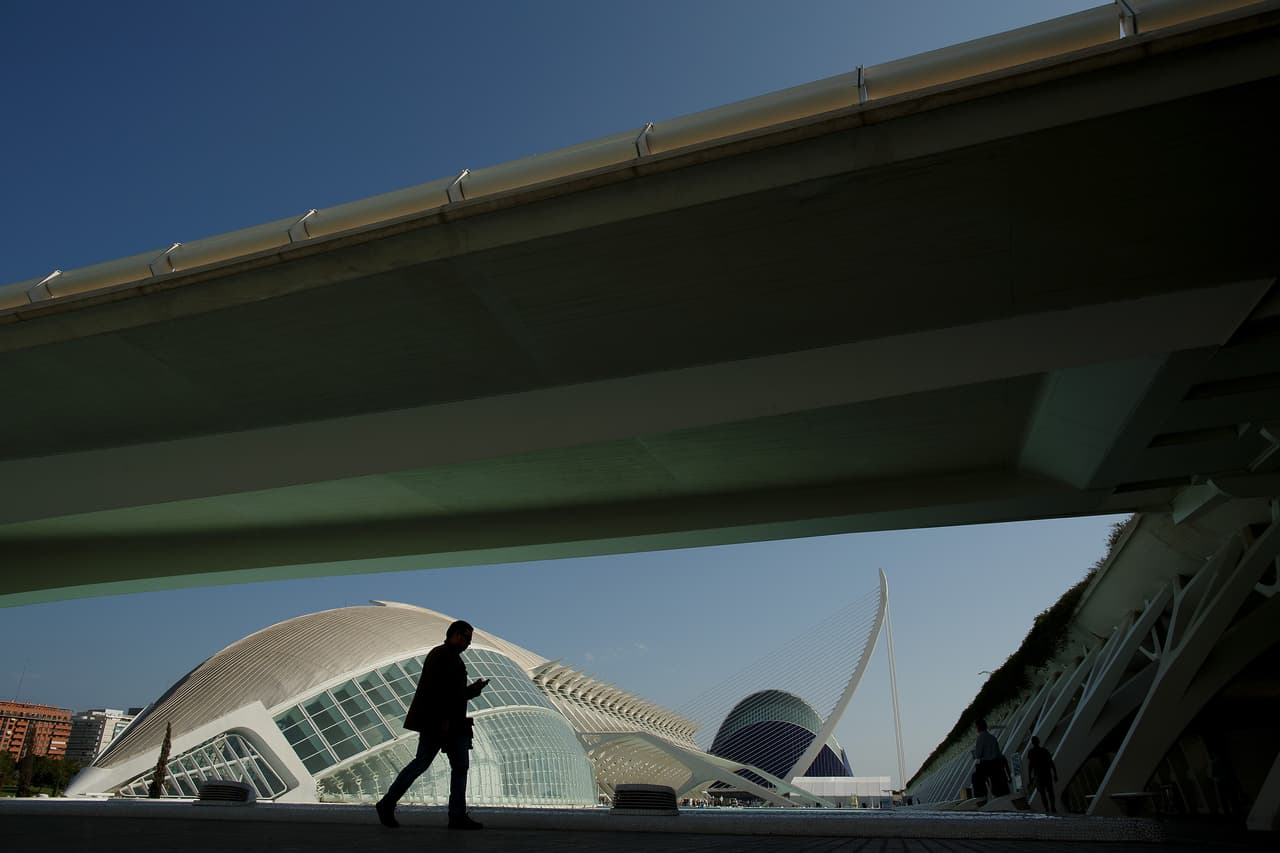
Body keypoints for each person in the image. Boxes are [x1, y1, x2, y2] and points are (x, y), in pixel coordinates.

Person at [375, 620, 489, 830]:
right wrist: (444, 719)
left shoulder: (452, 658)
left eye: (470, 639)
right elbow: (436, 692)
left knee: (459, 767)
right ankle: (387, 803)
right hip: (440, 723)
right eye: (466, 637)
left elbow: (454, 694)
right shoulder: (440, 655)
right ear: (454, 634)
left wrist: (472, 691)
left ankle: (457, 816)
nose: (468, 643)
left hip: (453, 723)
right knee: (422, 763)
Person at [971, 719, 1010, 800]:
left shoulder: (980, 738)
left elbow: (978, 755)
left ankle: (981, 798)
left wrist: (974, 753)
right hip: (996, 764)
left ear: (978, 728)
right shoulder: (993, 738)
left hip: (986, 765)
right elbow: (998, 753)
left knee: (975, 777)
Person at [1026, 736, 1058, 813]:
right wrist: (1055, 774)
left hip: (1038, 775)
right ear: (1038, 741)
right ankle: (1052, 807)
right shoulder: (1044, 750)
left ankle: (1047, 809)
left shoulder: (1031, 752)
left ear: (1032, 743)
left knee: (1042, 793)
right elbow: (1051, 762)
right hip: (1047, 773)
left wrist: (1030, 777)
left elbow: (1030, 766)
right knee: (1050, 792)